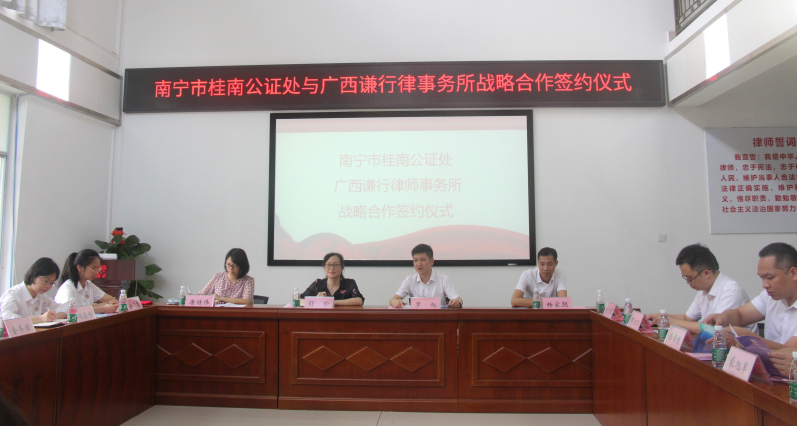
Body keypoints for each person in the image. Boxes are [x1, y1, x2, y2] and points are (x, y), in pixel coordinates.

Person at [704, 243, 797, 358]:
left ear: (793, 273)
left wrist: (746, 338)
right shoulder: (769, 296)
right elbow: (740, 315)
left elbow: (789, 352)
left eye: (770, 277)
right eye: (762, 278)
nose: (765, 285)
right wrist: (723, 317)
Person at [646, 243, 755, 334]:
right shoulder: (704, 291)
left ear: (706, 273)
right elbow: (687, 318)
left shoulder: (731, 291)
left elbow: (713, 329)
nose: (687, 282)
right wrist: (662, 317)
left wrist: (672, 322)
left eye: (690, 278)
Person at [389, 244, 463, 308]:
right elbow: (393, 300)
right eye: (415, 260)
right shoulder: (409, 280)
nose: (419, 264)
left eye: (422, 260)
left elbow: (458, 300)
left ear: (432, 261)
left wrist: (457, 302)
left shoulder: (443, 279)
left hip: (439, 318)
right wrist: (395, 301)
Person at [0, 258, 68, 323]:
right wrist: (40, 319)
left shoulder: (41, 296)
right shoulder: (12, 294)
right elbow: (6, 318)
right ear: (33, 276)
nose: (48, 286)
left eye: (51, 283)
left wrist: (53, 317)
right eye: (45, 281)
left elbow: (64, 308)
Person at [55, 249, 118, 313]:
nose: (96, 272)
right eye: (93, 268)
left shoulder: (88, 285)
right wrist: (102, 309)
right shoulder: (67, 288)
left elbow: (113, 301)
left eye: (98, 269)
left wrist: (96, 306)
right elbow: (70, 311)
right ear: (80, 268)